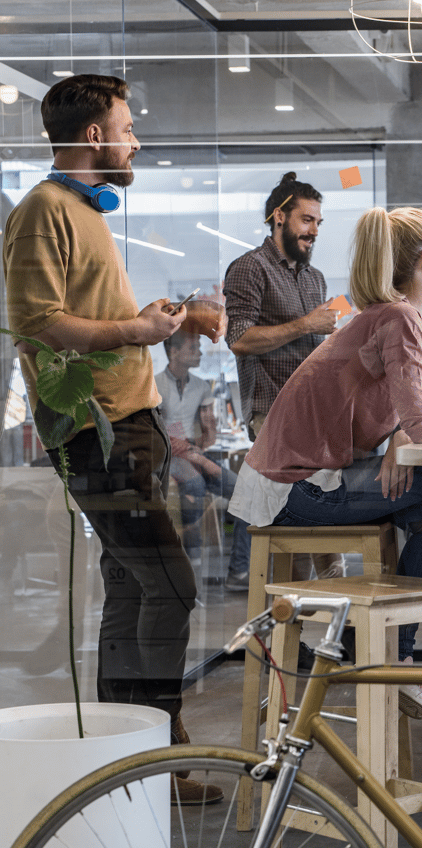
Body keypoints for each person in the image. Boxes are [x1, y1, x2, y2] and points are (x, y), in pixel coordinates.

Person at [3, 74, 225, 804]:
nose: (136, 139)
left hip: (131, 424)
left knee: (133, 590)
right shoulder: (43, 209)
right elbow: (37, 321)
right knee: (172, 586)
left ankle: (121, 761)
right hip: (93, 432)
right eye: (127, 127)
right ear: (95, 136)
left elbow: (86, 316)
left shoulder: (82, 211)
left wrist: (160, 321)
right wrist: (136, 330)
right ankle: (157, 750)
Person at [227, 206, 422, 721]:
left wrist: (398, 440)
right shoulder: (400, 318)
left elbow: (406, 414)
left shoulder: (388, 317)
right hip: (294, 490)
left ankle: (401, 651)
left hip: (298, 481)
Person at [223, 172, 340, 587]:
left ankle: (320, 627)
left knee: (321, 529)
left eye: (318, 224)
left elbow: (312, 351)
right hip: (272, 416)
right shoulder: (248, 268)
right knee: (293, 532)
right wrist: (306, 323)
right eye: (306, 220)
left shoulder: (315, 278)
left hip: (315, 419)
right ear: (278, 217)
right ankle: (291, 633)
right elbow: (238, 339)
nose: (313, 231)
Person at [156, 330, 248, 582]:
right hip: (168, 457)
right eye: (193, 348)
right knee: (195, 484)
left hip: (190, 454)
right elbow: (157, 437)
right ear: (173, 352)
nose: (200, 353)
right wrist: (195, 455)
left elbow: (209, 435)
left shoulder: (201, 386)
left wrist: (202, 440)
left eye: (199, 347)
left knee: (244, 492)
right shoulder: (154, 386)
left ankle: (239, 569)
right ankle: (191, 559)